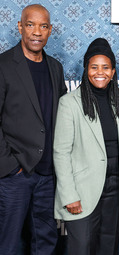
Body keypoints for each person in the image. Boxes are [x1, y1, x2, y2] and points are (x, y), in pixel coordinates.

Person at [53, 38, 119, 255]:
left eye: (105, 67)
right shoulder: (70, 103)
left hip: (114, 191)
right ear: (86, 70)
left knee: (108, 249)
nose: (99, 72)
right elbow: (61, 152)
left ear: (113, 72)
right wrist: (68, 194)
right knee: (81, 249)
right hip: (82, 192)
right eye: (94, 67)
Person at [0, 4, 67, 254]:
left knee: (45, 242)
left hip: (48, 175)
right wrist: (10, 167)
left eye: (43, 26)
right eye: (30, 25)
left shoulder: (55, 68)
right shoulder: (4, 65)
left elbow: (64, 113)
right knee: (8, 244)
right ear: (20, 27)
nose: (36, 32)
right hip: (15, 175)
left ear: (50, 30)